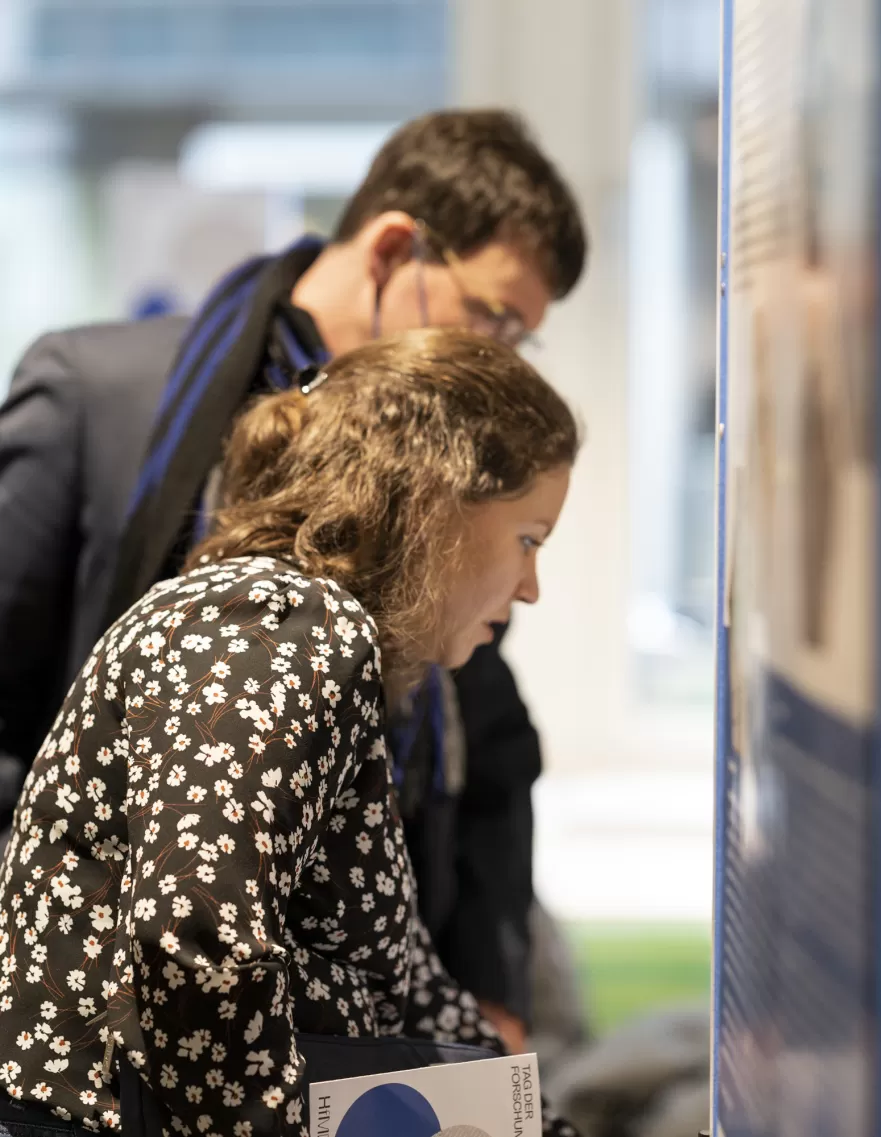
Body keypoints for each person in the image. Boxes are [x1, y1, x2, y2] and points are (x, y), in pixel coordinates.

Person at [0, 109, 587, 1051]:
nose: (501, 352)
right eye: (494, 315)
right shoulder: (95, 395)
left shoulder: (449, 478)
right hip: (129, 1021)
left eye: (522, 336)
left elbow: (487, 738)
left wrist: (484, 996)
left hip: (357, 998)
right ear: (394, 250)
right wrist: (53, 935)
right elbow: (196, 948)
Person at [0, 328, 580, 1137]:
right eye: (528, 539)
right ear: (438, 501)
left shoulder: (299, 631)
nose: (530, 586)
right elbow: (195, 937)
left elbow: (410, 986)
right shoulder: (276, 622)